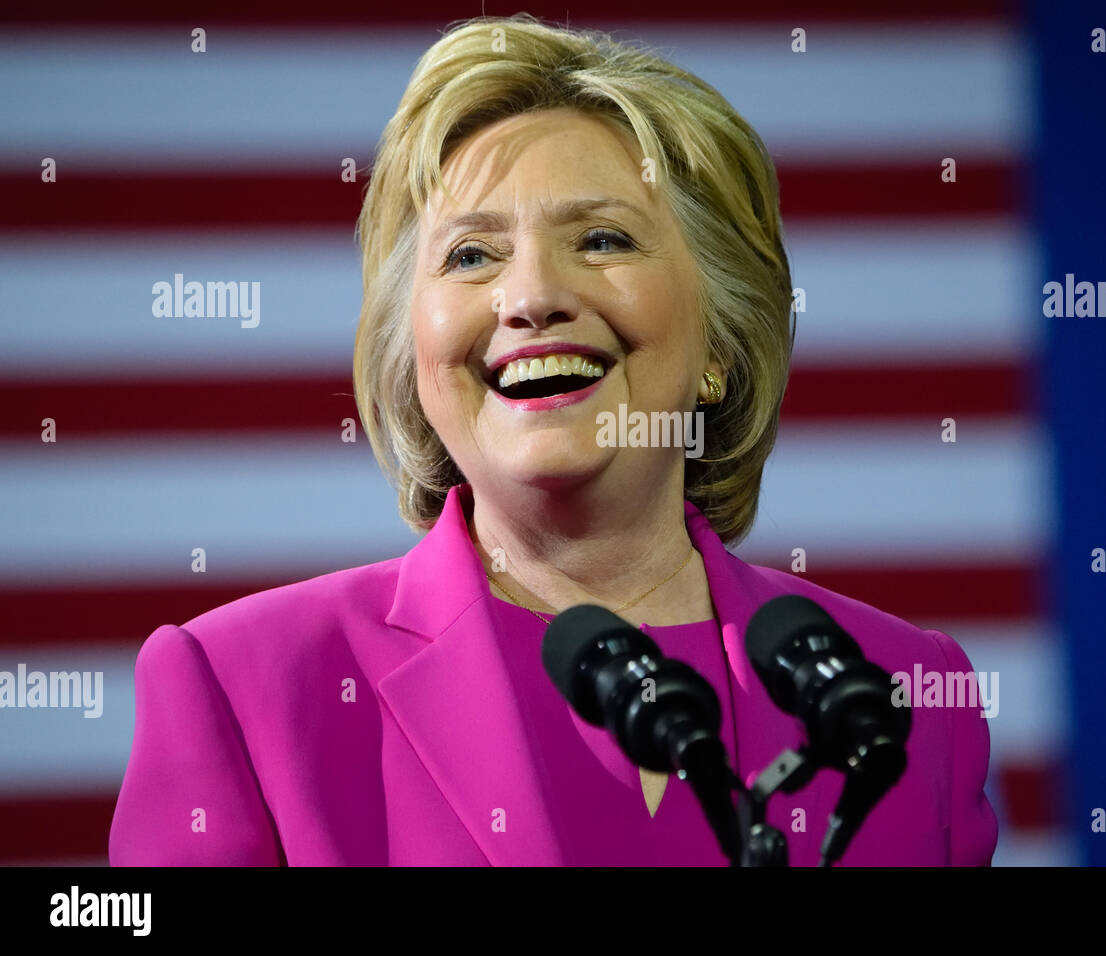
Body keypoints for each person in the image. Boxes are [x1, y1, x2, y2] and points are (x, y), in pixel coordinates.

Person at [109, 13, 997, 866]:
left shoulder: (903, 692)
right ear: (412, 354)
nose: (530, 296)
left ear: (720, 344)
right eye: (470, 255)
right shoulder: (243, 686)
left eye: (602, 238)